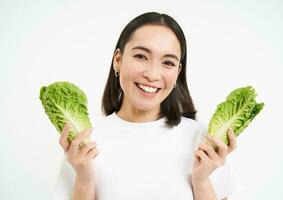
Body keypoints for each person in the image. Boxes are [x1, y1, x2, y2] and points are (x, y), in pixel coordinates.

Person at [52, 12, 239, 200]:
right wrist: (84, 179)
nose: (153, 74)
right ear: (118, 60)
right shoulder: (84, 142)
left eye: (168, 62)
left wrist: (202, 182)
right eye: (141, 56)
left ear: (177, 73)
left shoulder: (201, 140)